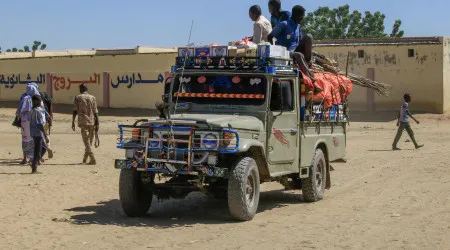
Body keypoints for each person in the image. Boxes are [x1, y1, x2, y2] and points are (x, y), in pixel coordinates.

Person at [72, 83, 99, 165]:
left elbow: (75, 110)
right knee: (89, 142)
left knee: (86, 141)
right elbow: (95, 112)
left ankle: (92, 158)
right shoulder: (92, 97)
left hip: (83, 121)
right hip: (92, 122)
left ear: (81, 89)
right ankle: (85, 159)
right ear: (87, 89)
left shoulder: (78, 97)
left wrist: (73, 121)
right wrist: (97, 123)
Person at [17, 84, 40, 165]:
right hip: (34, 121)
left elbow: (19, 110)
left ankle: (25, 158)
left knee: (25, 139)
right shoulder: (37, 98)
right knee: (34, 139)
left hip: (24, 121)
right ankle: (33, 158)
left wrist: (19, 118)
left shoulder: (25, 98)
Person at [30, 94, 49, 173]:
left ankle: (35, 162)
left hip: (35, 132)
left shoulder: (34, 110)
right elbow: (40, 124)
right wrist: (46, 135)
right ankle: (34, 167)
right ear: (37, 101)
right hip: (37, 133)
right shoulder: (37, 110)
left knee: (44, 148)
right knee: (37, 151)